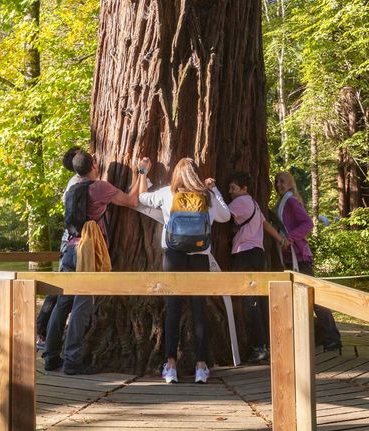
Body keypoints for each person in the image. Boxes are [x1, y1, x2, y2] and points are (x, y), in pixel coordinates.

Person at [43, 151, 149, 375]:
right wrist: (141, 173)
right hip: (87, 252)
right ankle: (72, 361)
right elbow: (131, 200)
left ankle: (51, 356)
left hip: (70, 248)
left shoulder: (71, 189)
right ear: (93, 164)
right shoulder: (99, 187)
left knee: (63, 304)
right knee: (82, 305)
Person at [138, 158, 231, 384]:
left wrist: (142, 172)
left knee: (173, 309)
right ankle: (201, 366)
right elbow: (225, 216)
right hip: (199, 257)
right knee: (199, 309)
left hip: (173, 256)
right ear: (196, 174)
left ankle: (170, 366)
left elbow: (141, 198)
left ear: (177, 174)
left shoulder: (166, 194)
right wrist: (214, 188)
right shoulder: (206, 196)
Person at [274, 171, 342, 353]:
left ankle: (332, 337)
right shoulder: (282, 203)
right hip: (290, 258)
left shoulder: (291, 202)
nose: (278, 185)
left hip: (300, 258)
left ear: (290, 184)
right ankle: (318, 335)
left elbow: (307, 224)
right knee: (299, 300)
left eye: (282, 181)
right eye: (276, 182)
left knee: (314, 298)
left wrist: (289, 238)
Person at [227, 171, 288, 363]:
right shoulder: (253, 203)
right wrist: (281, 239)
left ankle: (260, 346)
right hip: (258, 254)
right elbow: (266, 225)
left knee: (249, 300)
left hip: (244, 254)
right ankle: (267, 344)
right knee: (259, 300)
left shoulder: (240, 202)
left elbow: (220, 214)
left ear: (244, 189)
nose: (230, 192)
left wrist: (212, 192)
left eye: (233, 188)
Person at [36, 146, 82, 352]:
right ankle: (43, 335)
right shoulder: (77, 183)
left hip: (69, 240)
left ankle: (43, 333)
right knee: (60, 292)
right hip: (72, 241)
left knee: (59, 290)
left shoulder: (74, 182)